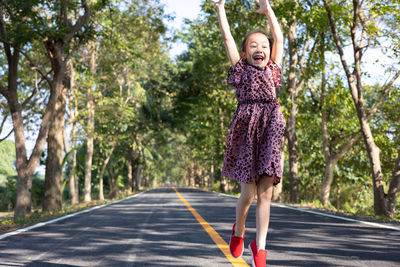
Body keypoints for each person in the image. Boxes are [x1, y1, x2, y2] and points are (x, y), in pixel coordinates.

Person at [211, 0, 285, 266]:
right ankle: (239, 230)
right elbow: (228, 38)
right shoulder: (241, 69)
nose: (260, 49)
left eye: (263, 46)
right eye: (253, 46)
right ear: (244, 53)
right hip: (246, 131)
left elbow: (278, 36)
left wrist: (269, 11)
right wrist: (220, 9)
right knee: (248, 194)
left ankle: (261, 248)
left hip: (271, 128)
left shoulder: (273, 69)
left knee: (266, 192)